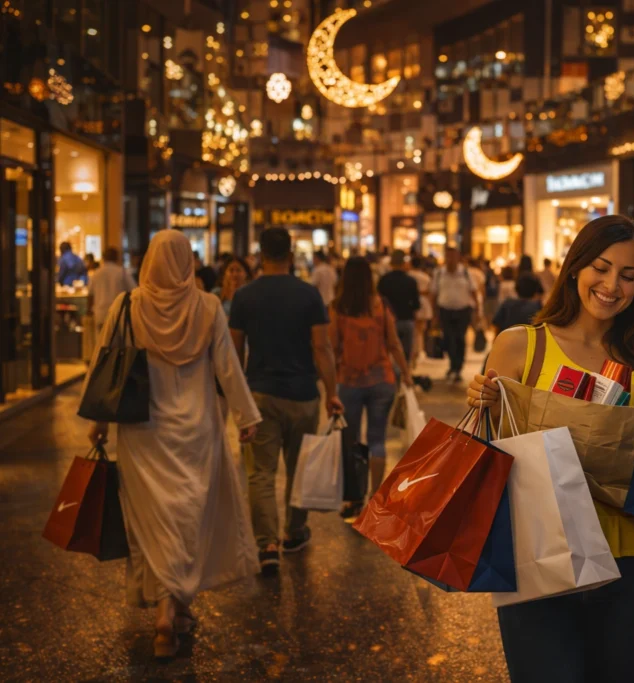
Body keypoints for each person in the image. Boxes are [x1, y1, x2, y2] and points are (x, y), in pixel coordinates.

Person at [467, 215, 634, 683]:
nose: (611, 285)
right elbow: (492, 457)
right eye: (600, 268)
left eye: (628, 275)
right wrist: (483, 404)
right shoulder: (521, 346)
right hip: (543, 556)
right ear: (575, 267)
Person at [84, 230, 261, 658]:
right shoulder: (208, 306)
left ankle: (167, 611)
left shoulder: (127, 305)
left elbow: (102, 361)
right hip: (196, 431)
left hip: (143, 433)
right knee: (187, 518)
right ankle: (176, 608)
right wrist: (246, 415)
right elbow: (228, 367)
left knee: (154, 522)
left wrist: (97, 422)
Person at [229, 228, 344, 575]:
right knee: (299, 467)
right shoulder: (308, 295)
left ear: (259, 255)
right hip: (303, 394)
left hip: (259, 394)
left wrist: (238, 399)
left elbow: (233, 352)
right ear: (291, 255)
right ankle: (294, 532)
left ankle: (267, 545)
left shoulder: (244, 296)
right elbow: (321, 348)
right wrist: (332, 392)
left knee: (261, 472)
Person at [331, 257, 413, 517]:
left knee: (352, 441)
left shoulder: (337, 308)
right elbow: (394, 343)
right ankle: (374, 498)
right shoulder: (381, 305)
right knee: (377, 440)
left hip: (349, 382)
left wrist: (329, 385)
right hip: (382, 380)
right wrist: (407, 372)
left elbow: (332, 348)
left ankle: (353, 498)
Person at [431, 247, 480, 383]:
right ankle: (452, 365)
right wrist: (434, 314)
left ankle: (457, 367)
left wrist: (477, 311)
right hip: (445, 310)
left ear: (458, 257)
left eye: (453, 256)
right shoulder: (439, 273)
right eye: (448, 256)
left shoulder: (465, 272)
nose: (450, 260)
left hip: (463, 310)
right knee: (448, 338)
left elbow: (474, 291)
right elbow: (433, 294)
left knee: (460, 338)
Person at [376, 249, 420, 363]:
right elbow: (416, 304)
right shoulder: (411, 281)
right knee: (405, 354)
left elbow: (378, 301)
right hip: (406, 319)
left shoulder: (384, 280)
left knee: (388, 353)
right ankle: (404, 374)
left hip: (387, 320)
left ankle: (393, 377)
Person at [89, 247, 137, 335]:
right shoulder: (121, 272)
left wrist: (89, 311)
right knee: (117, 344)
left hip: (100, 313)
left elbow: (90, 295)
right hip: (118, 313)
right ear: (117, 257)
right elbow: (134, 290)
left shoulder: (96, 273)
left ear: (103, 257)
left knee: (101, 343)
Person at [409, 255, 433, 369]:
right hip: (424, 304)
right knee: (420, 331)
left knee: (414, 331)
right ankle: (419, 351)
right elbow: (429, 292)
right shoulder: (425, 277)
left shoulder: (409, 275)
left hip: (411, 304)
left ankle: (414, 353)